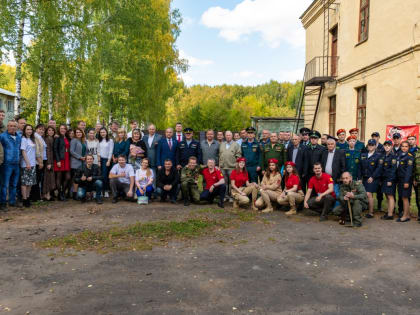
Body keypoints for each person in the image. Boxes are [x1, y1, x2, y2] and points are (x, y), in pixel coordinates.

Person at [0, 120, 21, 210]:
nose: (12, 127)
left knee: (14, 184)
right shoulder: (2, 136)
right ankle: (3, 203)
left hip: (16, 163)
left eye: (14, 126)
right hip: (6, 164)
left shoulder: (19, 136)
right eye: (10, 126)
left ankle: (12, 201)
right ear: (7, 126)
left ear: (17, 127)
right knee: (4, 185)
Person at [360, 139, 383, 218]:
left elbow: (379, 168)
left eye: (372, 145)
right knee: (364, 194)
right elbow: (360, 167)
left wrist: (372, 177)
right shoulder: (363, 154)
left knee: (369, 194)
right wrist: (360, 178)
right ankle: (364, 208)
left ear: (375, 146)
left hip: (373, 178)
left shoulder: (378, 155)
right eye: (369, 144)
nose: (370, 146)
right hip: (364, 177)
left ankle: (371, 212)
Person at [219, 131, 241, 201]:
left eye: (229, 135)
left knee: (232, 183)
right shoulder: (222, 144)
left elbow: (238, 155)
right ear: (225, 136)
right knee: (224, 183)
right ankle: (225, 196)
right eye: (227, 135)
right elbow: (220, 155)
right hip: (223, 167)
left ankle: (232, 196)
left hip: (232, 167)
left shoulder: (236, 144)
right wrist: (220, 165)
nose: (228, 136)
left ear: (232, 136)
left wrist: (237, 165)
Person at [396, 141, 414, 222]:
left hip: (405, 180)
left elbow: (409, 171)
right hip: (400, 179)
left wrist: (406, 182)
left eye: (406, 146)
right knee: (403, 197)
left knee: (405, 198)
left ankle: (405, 216)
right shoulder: (400, 155)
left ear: (408, 147)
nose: (404, 148)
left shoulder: (409, 157)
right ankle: (407, 215)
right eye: (402, 146)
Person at [20, 124, 37, 207]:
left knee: (30, 183)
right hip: (26, 164)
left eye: (30, 129)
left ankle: (28, 197)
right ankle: (24, 199)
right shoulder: (24, 139)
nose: (29, 131)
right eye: (28, 129)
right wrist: (27, 163)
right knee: (24, 183)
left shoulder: (32, 139)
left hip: (33, 163)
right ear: (24, 130)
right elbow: (23, 152)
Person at [380, 140, 398, 220]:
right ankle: (389, 212)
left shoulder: (393, 156)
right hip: (384, 179)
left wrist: (390, 180)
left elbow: (394, 169)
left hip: (390, 179)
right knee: (387, 195)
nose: (387, 147)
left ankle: (390, 215)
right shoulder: (384, 155)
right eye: (385, 145)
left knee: (390, 196)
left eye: (389, 145)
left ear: (391, 147)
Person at [54, 124, 71, 201]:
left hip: (67, 159)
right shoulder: (57, 138)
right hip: (60, 159)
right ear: (59, 129)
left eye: (64, 128)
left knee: (67, 177)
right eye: (61, 128)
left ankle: (63, 192)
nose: (63, 130)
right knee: (59, 178)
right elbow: (55, 149)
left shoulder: (66, 137)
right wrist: (58, 161)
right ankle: (60, 194)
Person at [143, 124, 162, 193]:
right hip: (146, 159)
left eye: (153, 129)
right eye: (150, 129)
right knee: (145, 175)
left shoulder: (159, 137)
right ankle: (146, 190)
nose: (151, 130)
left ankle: (153, 191)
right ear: (148, 130)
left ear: (155, 130)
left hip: (154, 159)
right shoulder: (144, 137)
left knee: (153, 176)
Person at [31, 124, 47, 202]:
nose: (41, 131)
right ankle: (35, 197)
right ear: (36, 129)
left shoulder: (40, 137)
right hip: (38, 161)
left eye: (43, 130)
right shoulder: (35, 137)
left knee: (39, 179)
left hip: (42, 160)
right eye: (40, 129)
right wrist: (40, 162)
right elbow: (37, 151)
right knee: (36, 179)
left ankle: (36, 196)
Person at [70, 128, 86, 200]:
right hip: (76, 162)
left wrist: (86, 156)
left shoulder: (84, 141)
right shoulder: (74, 140)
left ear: (82, 133)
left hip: (83, 162)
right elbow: (71, 151)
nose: (78, 133)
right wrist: (80, 157)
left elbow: (87, 150)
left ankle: (80, 194)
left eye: (80, 132)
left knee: (80, 178)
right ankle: (74, 194)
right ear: (75, 134)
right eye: (77, 132)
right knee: (75, 179)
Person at [97, 127, 114, 198]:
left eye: (103, 132)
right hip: (100, 159)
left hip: (107, 160)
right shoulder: (98, 141)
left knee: (105, 176)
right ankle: (100, 191)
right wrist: (98, 161)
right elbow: (98, 151)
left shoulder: (110, 140)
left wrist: (109, 161)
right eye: (101, 132)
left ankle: (106, 190)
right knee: (100, 175)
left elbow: (111, 151)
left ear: (106, 132)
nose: (102, 133)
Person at [43, 126, 56, 201]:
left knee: (51, 177)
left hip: (52, 160)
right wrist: (49, 163)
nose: (51, 131)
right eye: (49, 130)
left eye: (52, 130)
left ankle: (49, 194)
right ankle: (46, 194)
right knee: (47, 177)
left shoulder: (52, 138)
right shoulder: (47, 139)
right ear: (47, 131)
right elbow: (48, 151)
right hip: (48, 160)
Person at [413, 142, 420, 222]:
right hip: (418, 179)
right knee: (418, 198)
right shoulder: (417, 153)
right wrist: (414, 179)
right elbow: (414, 168)